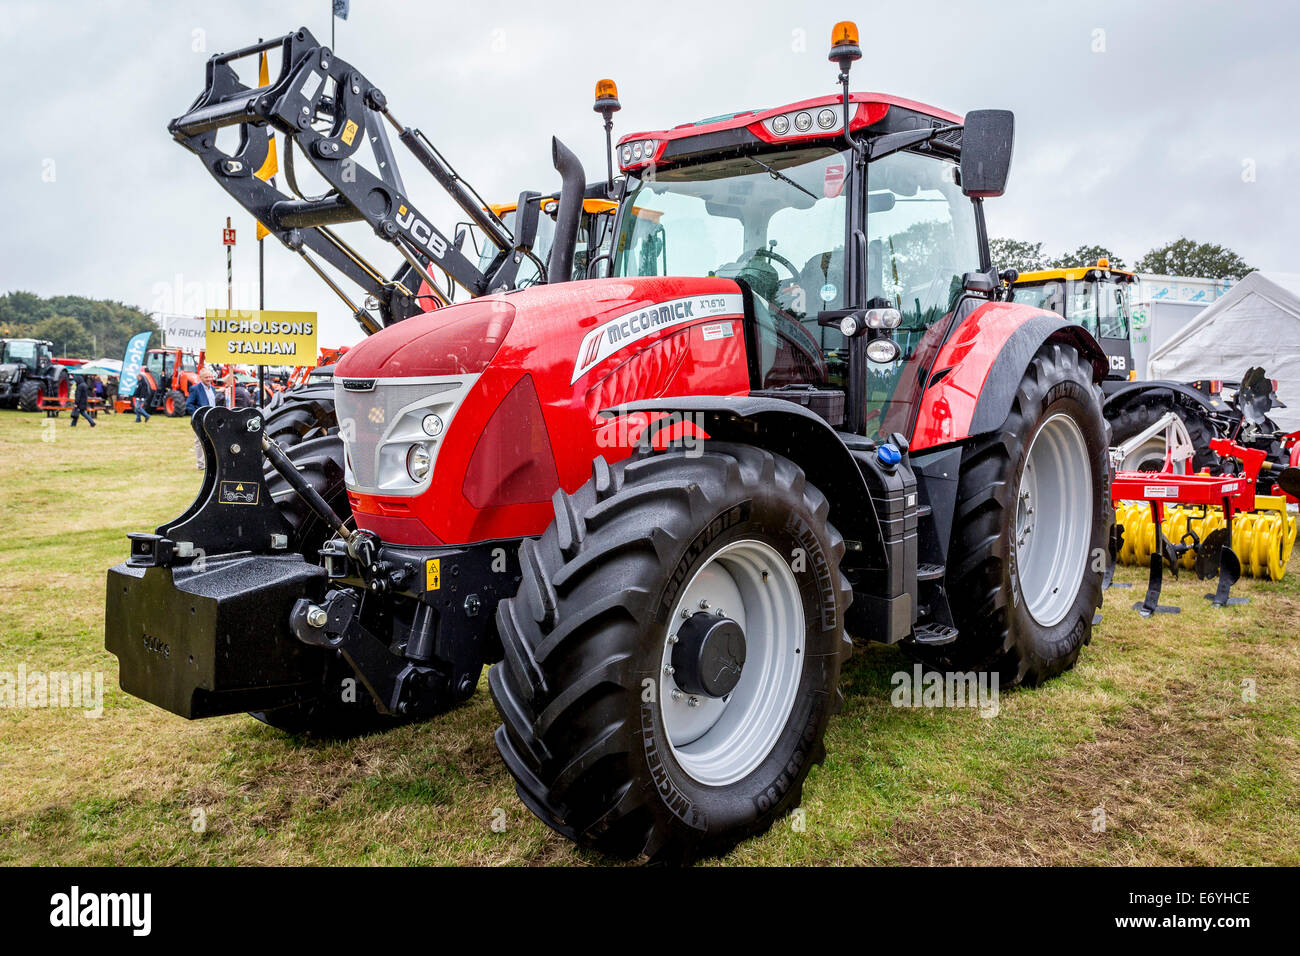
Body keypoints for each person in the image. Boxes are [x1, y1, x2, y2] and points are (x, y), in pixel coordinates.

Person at [186, 367, 220, 469]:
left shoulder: (213, 388)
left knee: (211, 441)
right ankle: (201, 464)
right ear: (200, 378)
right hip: (200, 420)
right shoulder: (195, 389)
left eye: (210, 377)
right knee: (199, 441)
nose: (209, 379)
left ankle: (210, 463)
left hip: (211, 419)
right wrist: (197, 415)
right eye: (206, 377)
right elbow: (189, 404)